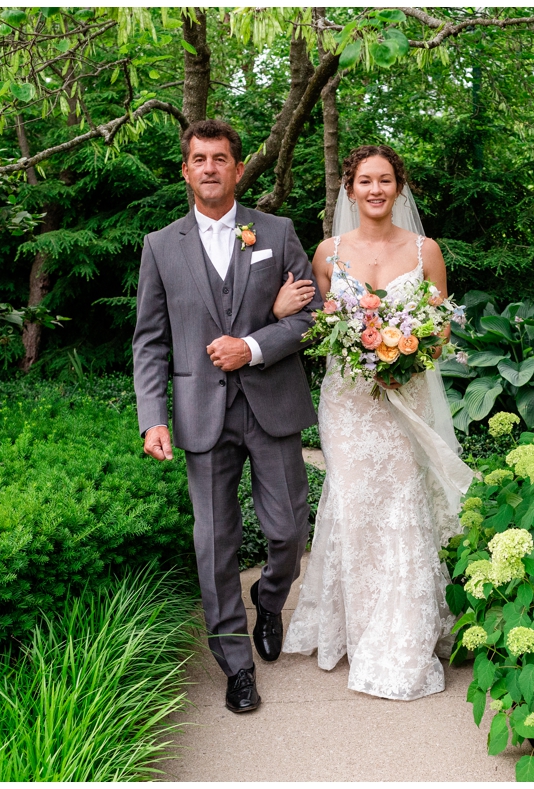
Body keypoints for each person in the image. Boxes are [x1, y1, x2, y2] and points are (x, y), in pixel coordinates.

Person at [268, 145, 475, 700]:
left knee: (401, 505)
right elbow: (316, 323)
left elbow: (440, 329)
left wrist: (402, 359)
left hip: (404, 398)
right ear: (351, 190)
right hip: (349, 403)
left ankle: (403, 633)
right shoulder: (328, 252)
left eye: (386, 180)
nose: (376, 189)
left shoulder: (425, 250)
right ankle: (356, 630)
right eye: (366, 180)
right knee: (355, 506)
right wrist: (282, 313)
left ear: (400, 188)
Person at [133, 119, 323, 714]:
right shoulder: (161, 246)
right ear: (185, 171)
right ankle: (236, 665)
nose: (210, 167)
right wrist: (152, 416)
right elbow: (150, 340)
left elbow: (309, 315)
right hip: (199, 413)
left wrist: (254, 345)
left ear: (238, 169)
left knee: (290, 531)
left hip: (272, 404)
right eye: (199, 159)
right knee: (214, 544)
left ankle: (270, 598)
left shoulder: (276, 231)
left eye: (221, 158)